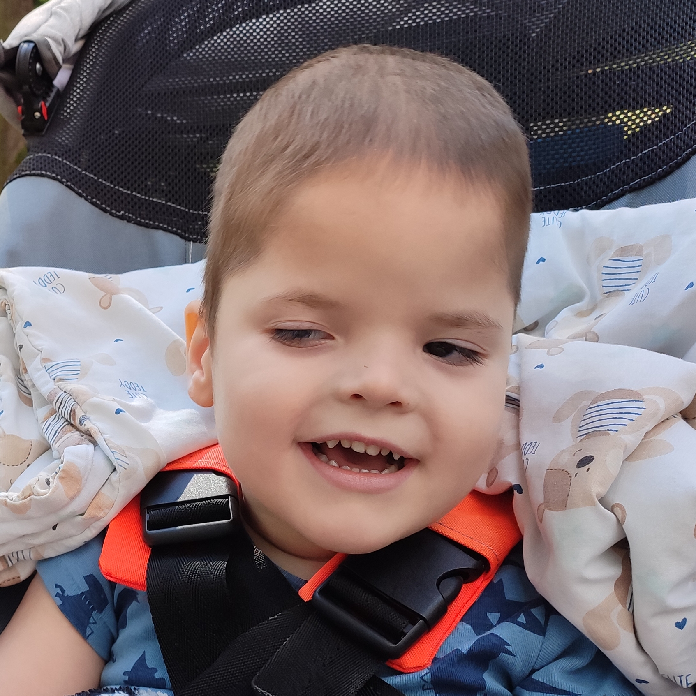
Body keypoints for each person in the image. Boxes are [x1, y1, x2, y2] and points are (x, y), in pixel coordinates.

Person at [0, 45, 642, 696]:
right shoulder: (115, 556)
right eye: (302, 333)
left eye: (449, 349)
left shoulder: (545, 621)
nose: (380, 384)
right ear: (205, 358)